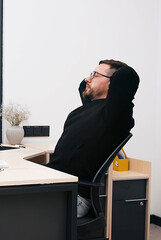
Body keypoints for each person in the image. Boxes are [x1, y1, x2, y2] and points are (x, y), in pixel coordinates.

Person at [46, 59, 140, 218]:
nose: (87, 79)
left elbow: (127, 75)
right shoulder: (79, 112)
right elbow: (83, 86)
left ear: (112, 83)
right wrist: (94, 79)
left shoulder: (115, 116)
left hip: (73, 195)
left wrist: (114, 75)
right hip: (56, 184)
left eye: (95, 75)